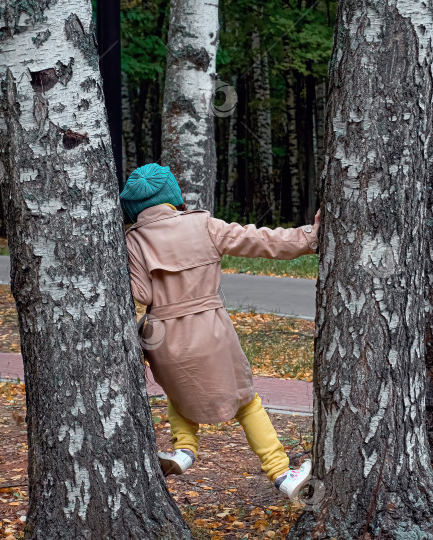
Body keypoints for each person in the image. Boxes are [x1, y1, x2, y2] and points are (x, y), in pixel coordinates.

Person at [120, 163, 320, 500]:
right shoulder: (203, 225)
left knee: (178, 396)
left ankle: (184, 451)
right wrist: (310, 237)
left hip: (162, 338)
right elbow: (261, 241)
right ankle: (282, 473)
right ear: (172, 195)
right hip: (211, 330)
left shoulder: (134, 241)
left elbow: (140, 294)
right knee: (245, 402)